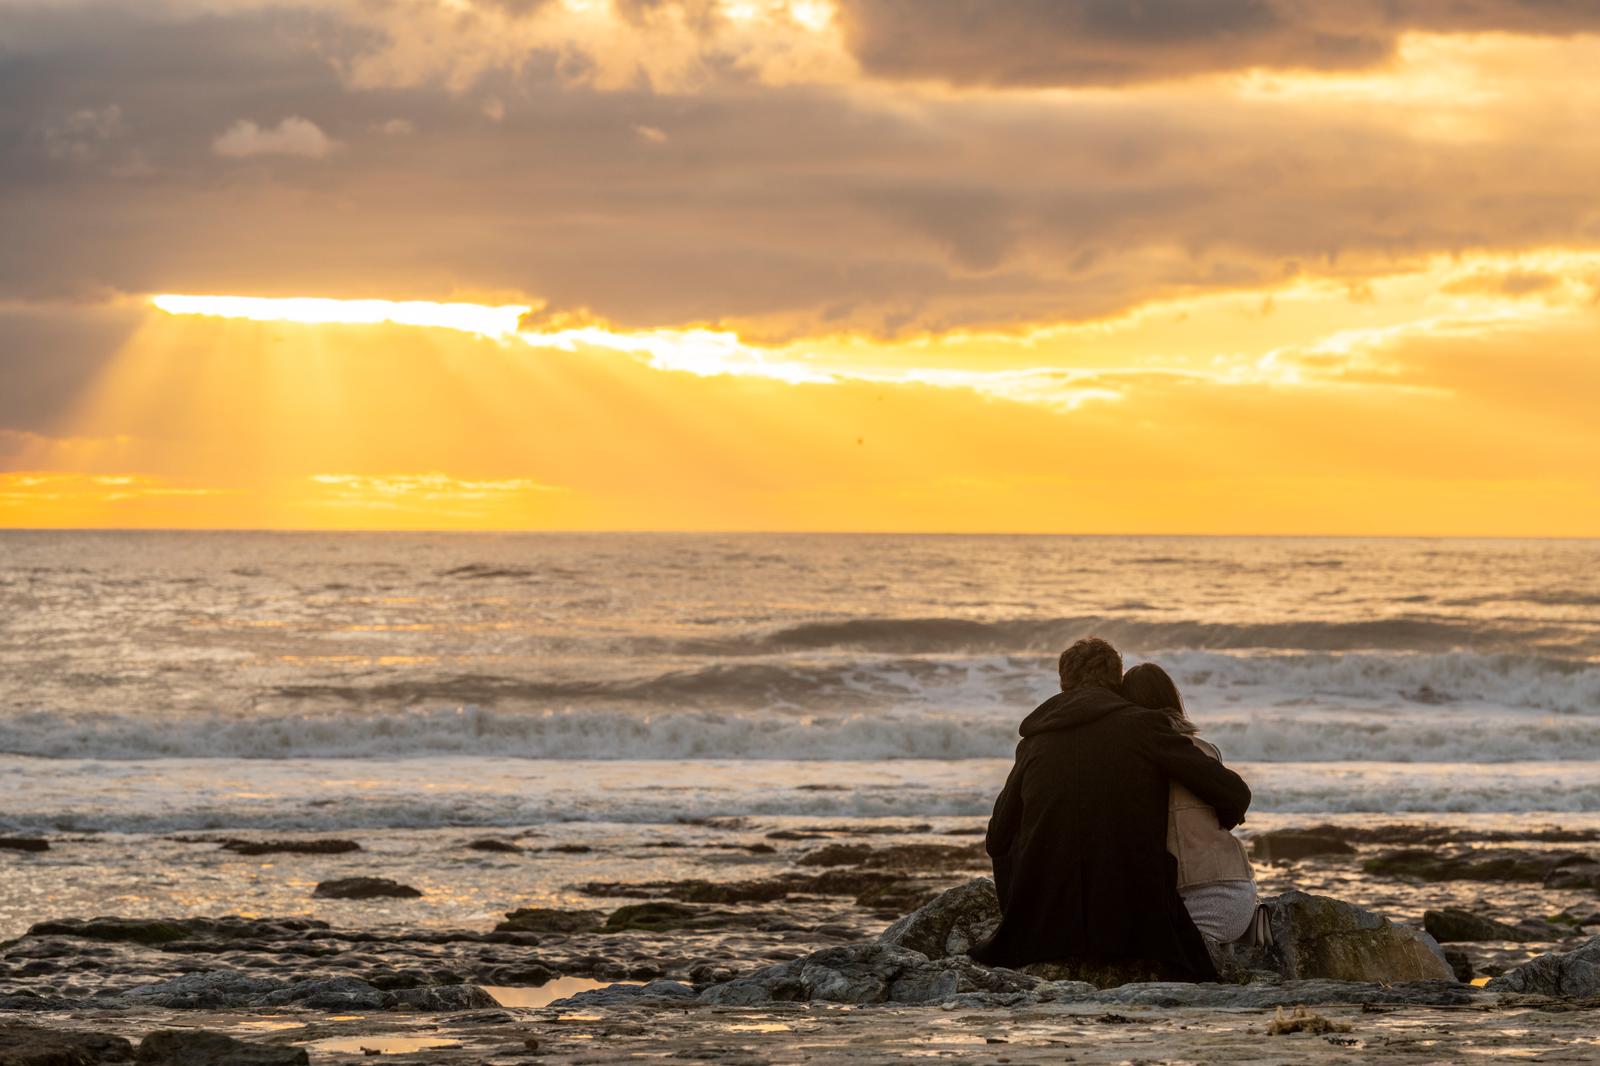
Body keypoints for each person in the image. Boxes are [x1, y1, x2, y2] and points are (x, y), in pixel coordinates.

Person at [972, 637, 1250, 981]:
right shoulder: (1142, 727)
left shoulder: (1033, 742)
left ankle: (1021, 919)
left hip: (1043, 928)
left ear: (1063, 683)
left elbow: (997, 837)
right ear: (1117, 682)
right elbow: (1234, 793)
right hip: (1131, 925)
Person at [1122, 662, 1259, 945]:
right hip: (1238, 892)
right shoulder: (1206, 750)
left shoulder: (1137, 759)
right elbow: (1229, 812)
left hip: (1197, 902)